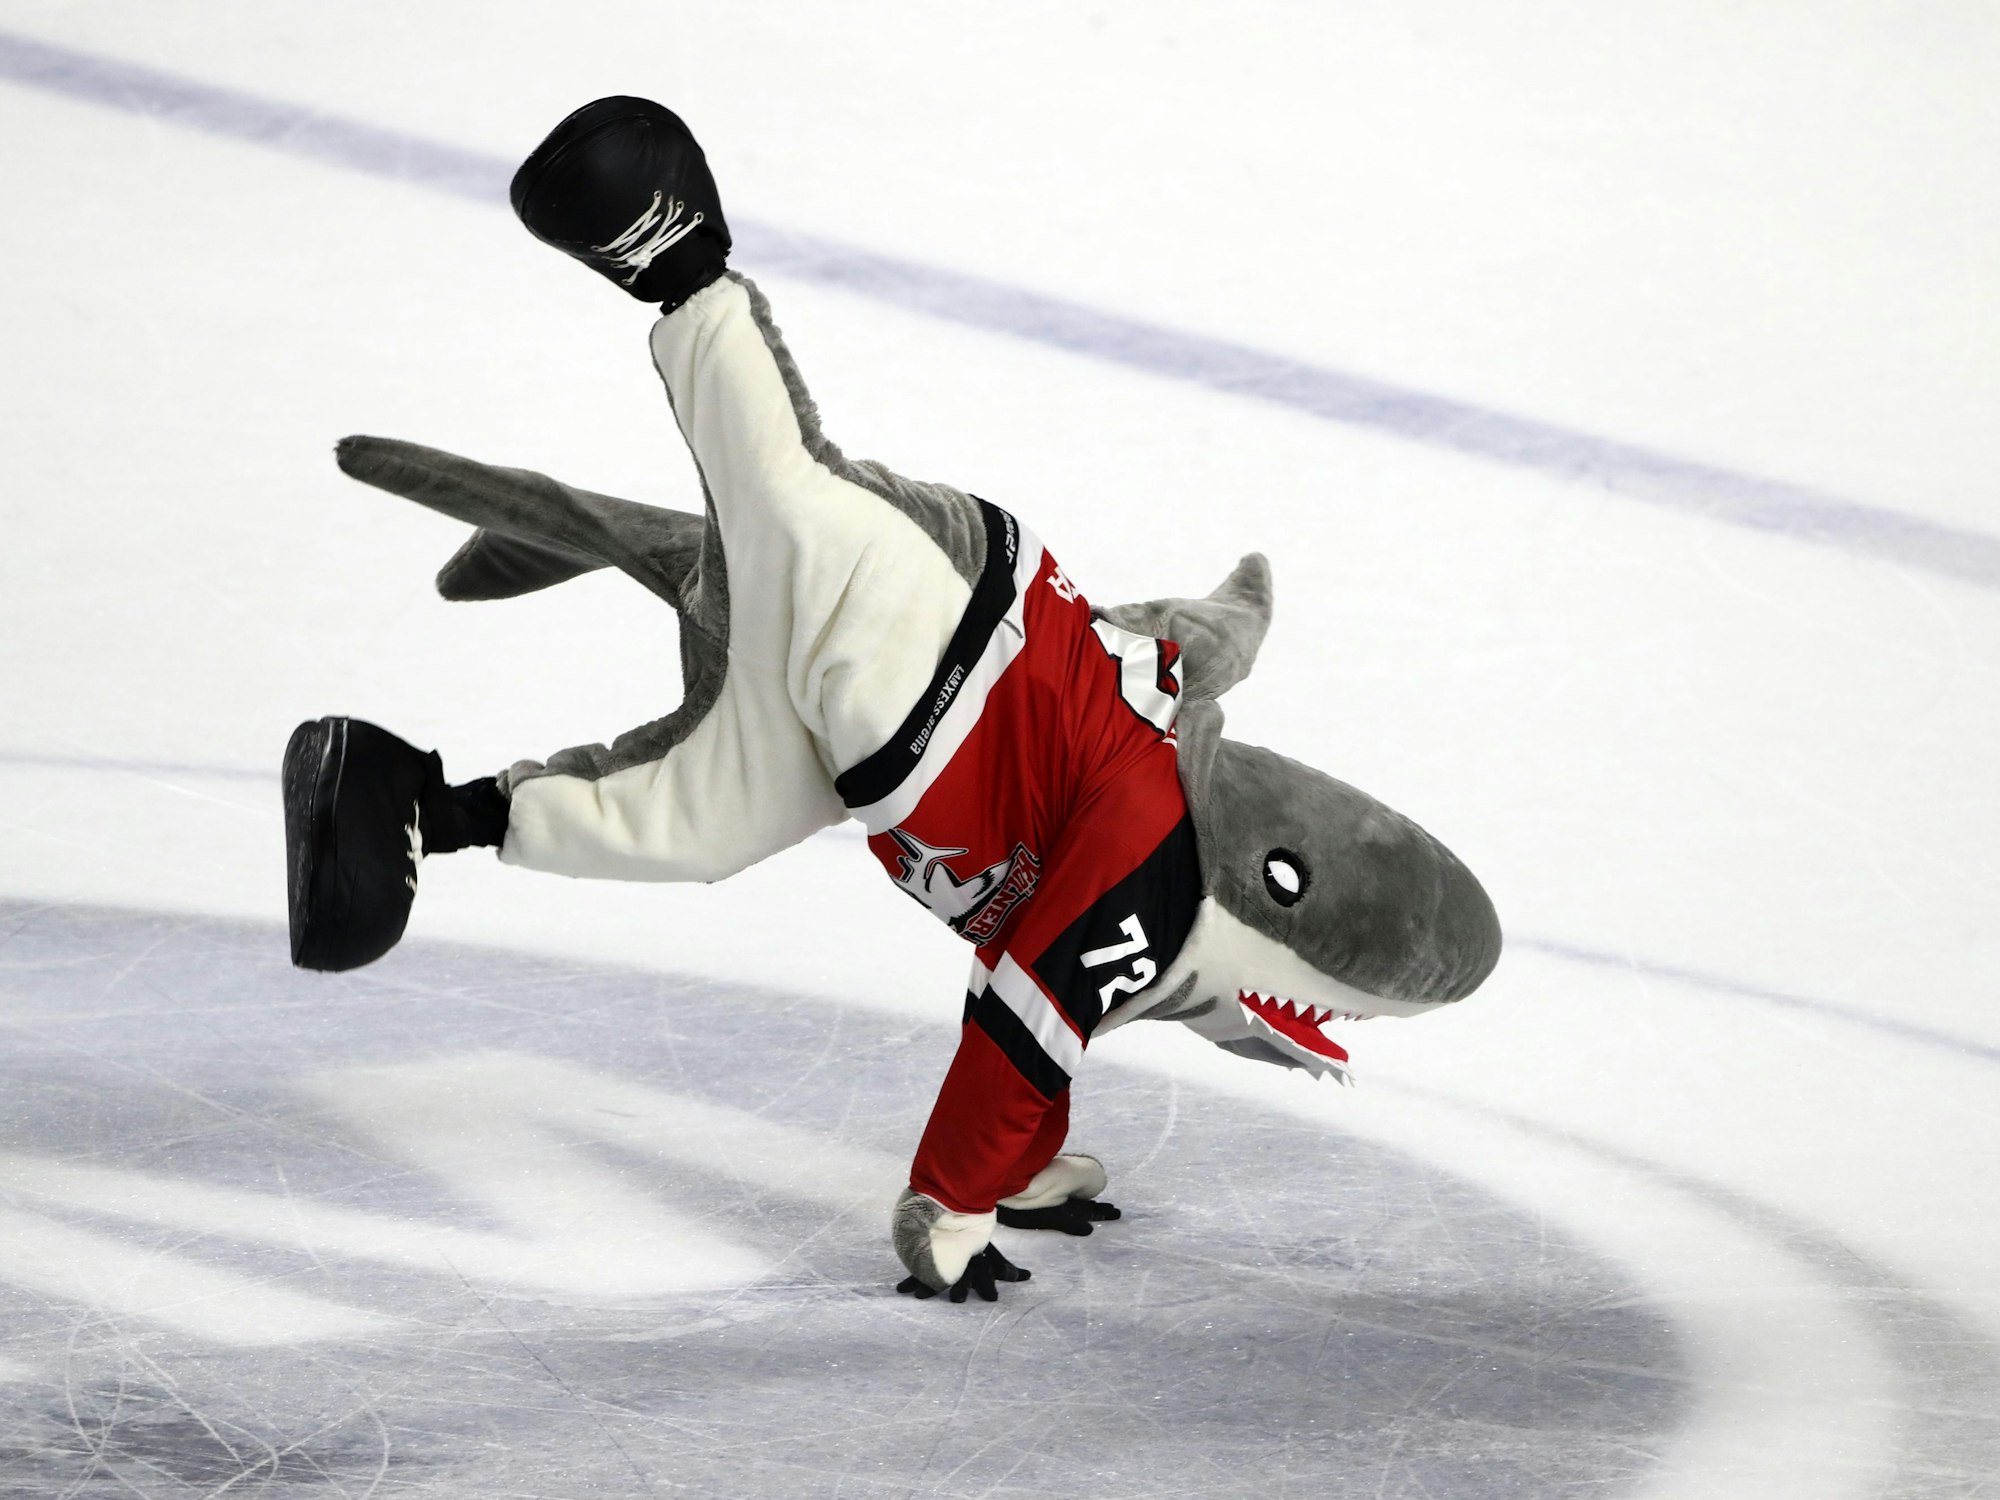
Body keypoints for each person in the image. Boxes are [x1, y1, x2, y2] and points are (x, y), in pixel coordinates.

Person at [286, 98, 1501, 1304]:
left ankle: (402, 801)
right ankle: (679, 261)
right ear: (1272, 879)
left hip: (856, 753)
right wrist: (952, 1204)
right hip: (934, 625)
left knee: (681, 827)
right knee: (790, 500)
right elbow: (1027, 1016)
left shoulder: (1139, 915)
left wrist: (1019, 1169)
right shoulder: (1151, 868)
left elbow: (1046, 997)